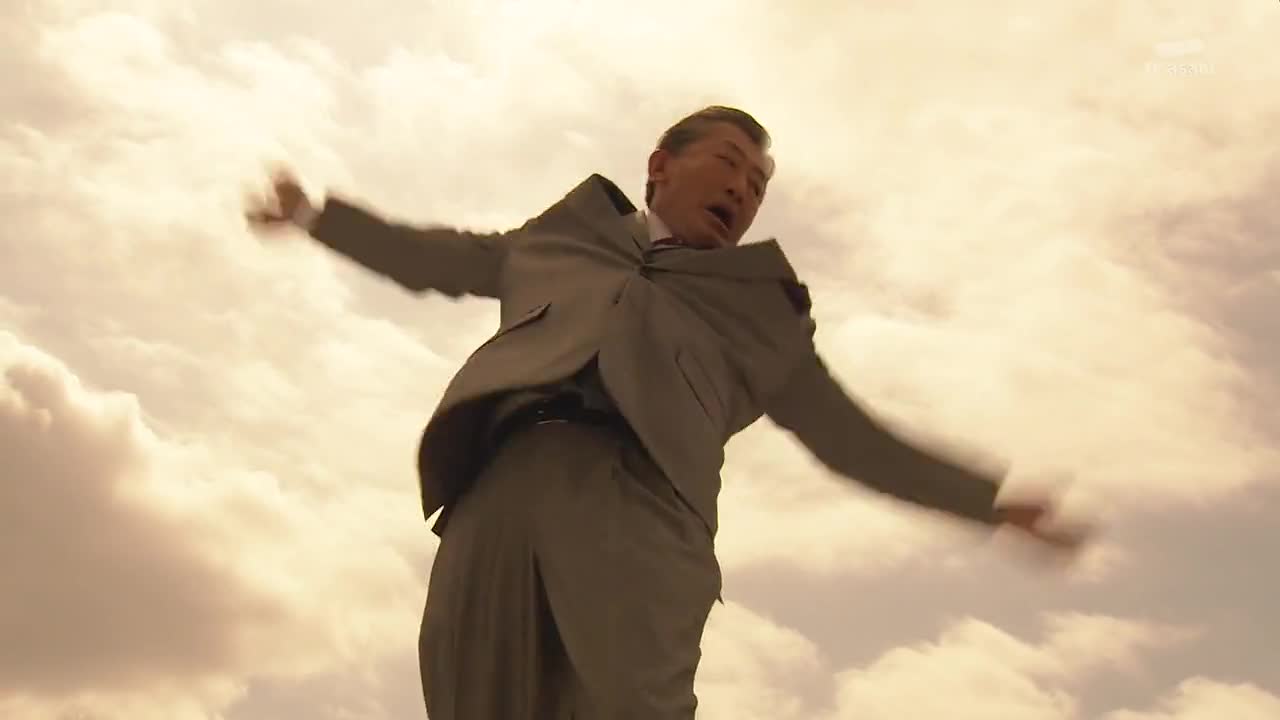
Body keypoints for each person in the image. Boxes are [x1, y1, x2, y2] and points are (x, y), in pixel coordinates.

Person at [246, 105, 1090, 719]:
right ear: (661, 166)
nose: (743, 189)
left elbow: (851, 439)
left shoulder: (761, 312)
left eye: (757, 185)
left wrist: (985, 502)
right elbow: (441, 258)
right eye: (729, 163)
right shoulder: (563, 236)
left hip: (638, 510)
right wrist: (316, 218)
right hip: (497, 486)